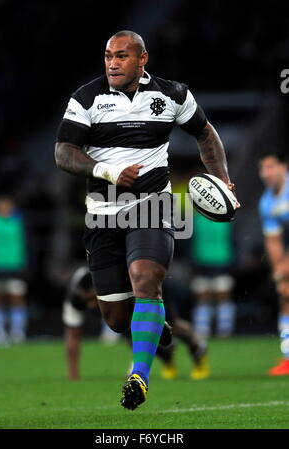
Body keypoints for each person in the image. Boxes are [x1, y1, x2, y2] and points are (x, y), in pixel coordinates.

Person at [55, 30, 237, 410]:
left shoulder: (172, 95)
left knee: (146, 279)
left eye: (121, 56)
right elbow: (64, 153)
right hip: (102, 213)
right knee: (118, 320)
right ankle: (155, 327)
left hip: (152, 205)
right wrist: (108, 172)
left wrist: (221, 176)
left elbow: (205, 133)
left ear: (143, 60)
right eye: (108, 56)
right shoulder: (86, 98)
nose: (112, 63)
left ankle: (140, 375)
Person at [63, 265, 210, 381]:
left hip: (146, 282)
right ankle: (166, 357)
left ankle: (198, 349)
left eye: (92, 299)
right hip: (127, 289)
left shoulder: (116, 281)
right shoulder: (75, 297)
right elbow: (73, 335)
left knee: (173, 325)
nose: (91, 306)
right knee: (130, 329)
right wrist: (73, 374)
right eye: (87, 302)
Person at [258, 150, 289, 376]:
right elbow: (273, 241)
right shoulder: (267, 202)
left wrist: (284, 269)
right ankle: (288, 358)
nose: (265, 173)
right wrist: (280, 274)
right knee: (286, 295)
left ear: (283, 168)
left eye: (270, 167)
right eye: (262, 169)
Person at [0, 195, 28, 345]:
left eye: (8, 205)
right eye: (2, 205)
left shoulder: (18, 223)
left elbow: (27, 245)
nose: (6, 208)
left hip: (15, 268)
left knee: (17, 300)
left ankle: (17, 333)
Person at [191, 211, 236, 338]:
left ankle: (225, 329)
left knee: (223, 294)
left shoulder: (226, 217)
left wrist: (233, 262)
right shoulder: (195, 219)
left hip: (222, 260)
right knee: (202, 295)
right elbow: (190, 242)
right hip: (201, 263)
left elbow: (233, 239)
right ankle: (202, 329)